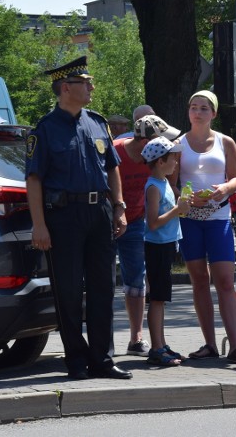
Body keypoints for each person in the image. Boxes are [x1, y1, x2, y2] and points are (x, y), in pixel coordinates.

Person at [25, 55, 132, 380]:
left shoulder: (97, 122)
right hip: (64, 216)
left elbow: (112, 167)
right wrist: (39, 224)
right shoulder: (44, 129)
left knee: (103, 288)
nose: (91, 87)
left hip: (99, 212)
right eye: (85, 83)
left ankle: (102, 358)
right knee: (69, 291)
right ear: (65, 88)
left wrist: (119, 206)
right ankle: (76, 360)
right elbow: (34, 180)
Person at [176, 90, 236, 365]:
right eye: (193, 107)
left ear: (214, 113)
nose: (197, 112)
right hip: (190, 221)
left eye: (204, 108)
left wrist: (224, 188)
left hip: (218, 218)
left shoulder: (225, 141)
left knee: (224, 281)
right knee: (199, 281)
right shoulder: (178, 144)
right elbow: (172, 182)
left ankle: (235, 346)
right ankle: (209, 343)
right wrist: (184, 197)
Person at [113, 112, 182, 358]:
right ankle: (105, 343)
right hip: (111, 221)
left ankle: (137, 339)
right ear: (147, 144)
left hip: (136, 224)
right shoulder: (116, 151)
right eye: (164, 142)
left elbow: (168, 186)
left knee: (136, 282)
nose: (170, 148)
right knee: (104, 281)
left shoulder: (158, 165)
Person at [141, 136, 189, 366]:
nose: (176, 163)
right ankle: (156, 348)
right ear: (160, 162)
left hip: (166, 245)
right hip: (156, 247)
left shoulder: (165, 183)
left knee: (161, 298)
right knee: (157, 299)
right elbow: (152, 222)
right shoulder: (153, 187)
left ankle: (161, 343)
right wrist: (177, 211)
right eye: (172, 158)